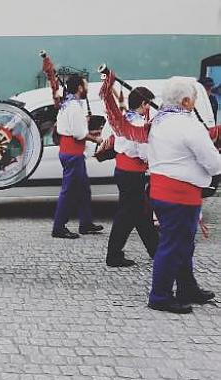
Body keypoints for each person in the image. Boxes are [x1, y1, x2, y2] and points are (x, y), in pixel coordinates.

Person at [146, 77, 221, 314]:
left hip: (164, 190)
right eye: (195, 98)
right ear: (186, 101)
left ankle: (187, 287)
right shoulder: (188, 125)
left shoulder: (160, 121)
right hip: (180, 194)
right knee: (173, 245)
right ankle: (160, 295)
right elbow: (213, 163)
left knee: (182, 244)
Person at [100, 83, 159, 267]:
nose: (149, 108)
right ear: (143, 103)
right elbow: (143, 153)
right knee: (128, 215)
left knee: (139, 213)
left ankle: (156, 250)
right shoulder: (139, 123)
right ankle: (114, 255)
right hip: (133, 172)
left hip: (123, 170)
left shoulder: (124, 118)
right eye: (148, 104)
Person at [51, 74, 105, 239]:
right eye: (86, 85)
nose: (87, 88)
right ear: (80, 87)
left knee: (83, 189)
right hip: (73, 153)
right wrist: (96, 137)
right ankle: (59, 227)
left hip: (70, 151)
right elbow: (79, 134)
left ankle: (86, 223)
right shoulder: (74, 107)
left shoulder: (67, 105)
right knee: (68, 192)